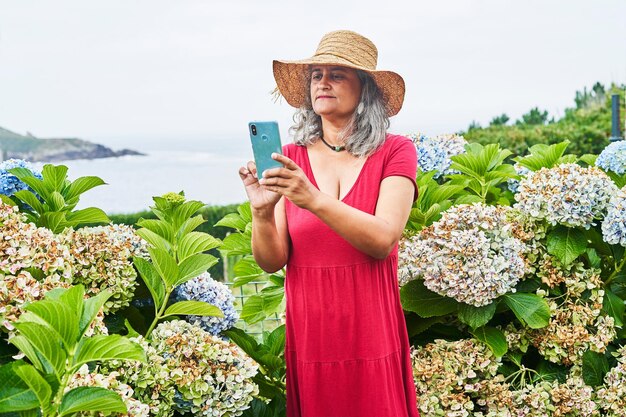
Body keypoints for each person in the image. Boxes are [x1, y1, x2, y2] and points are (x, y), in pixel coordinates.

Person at [239, 30, 420, 417]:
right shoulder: (288, 157)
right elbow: (272, 261)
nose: (322, 81)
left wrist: (313, 199)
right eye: (317, 73)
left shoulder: (395, 151)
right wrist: (261, 212)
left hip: (372, 330)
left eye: (337, 74)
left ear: (366, 88)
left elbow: (383, 239)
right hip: (313, 336)